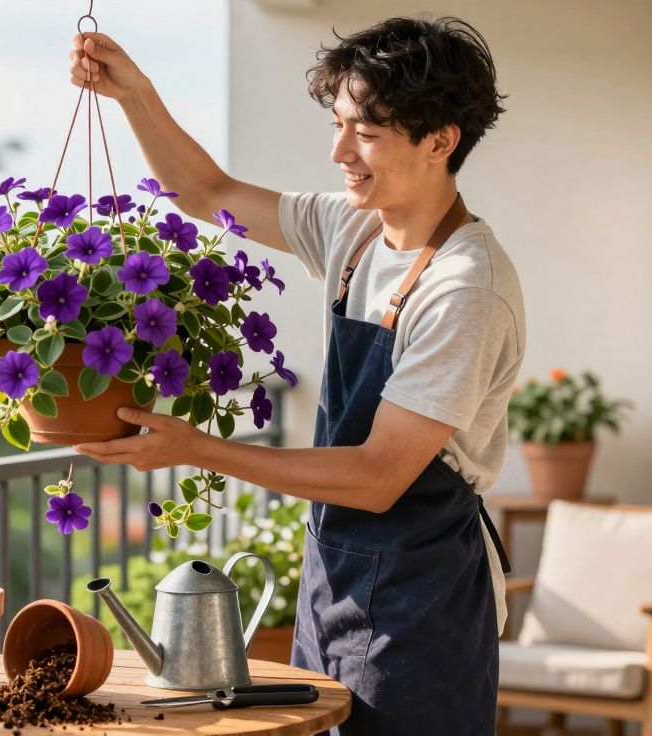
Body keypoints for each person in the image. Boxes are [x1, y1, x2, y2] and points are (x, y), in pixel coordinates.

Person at [69, 15, 524, 735]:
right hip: (333, 581)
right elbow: (205, 191)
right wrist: (136, 95)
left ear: (441, 140)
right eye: (340, 124)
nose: (341, 151)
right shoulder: (355, 227)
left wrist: (195, 448)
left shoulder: (465, 288)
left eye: (367, 133)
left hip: (421, 605)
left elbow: (377, 477)